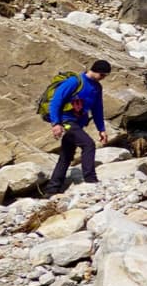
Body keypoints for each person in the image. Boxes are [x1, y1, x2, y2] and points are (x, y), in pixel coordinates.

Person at [45, 60, 111, 193]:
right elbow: (56, 101)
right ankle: (90, 180)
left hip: (78, 123)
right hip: (66, 121)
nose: (103, 78)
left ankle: (52, 190)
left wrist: (101, 129)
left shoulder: (97, 87)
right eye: (103, 75)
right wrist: (56, 123)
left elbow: (97, 108)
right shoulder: (74, 81)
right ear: (96, 71)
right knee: (88, 144)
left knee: (66, 155)